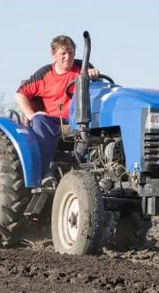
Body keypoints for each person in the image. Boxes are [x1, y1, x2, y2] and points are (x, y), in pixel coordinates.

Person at [15, 34, 100, 187]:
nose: (68, 57)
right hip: (53, 122)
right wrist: (30, 114)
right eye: (63, 53)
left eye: (71, 53)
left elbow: (98, 90)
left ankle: (92, 168)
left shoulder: (84, 68)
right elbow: (20, 94)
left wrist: (96, 77)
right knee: (39, 120)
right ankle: (46, 172)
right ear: (53, 55)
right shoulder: (44, 74)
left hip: (79, 119)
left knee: (100, 124)